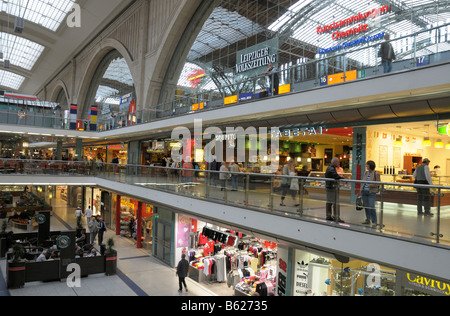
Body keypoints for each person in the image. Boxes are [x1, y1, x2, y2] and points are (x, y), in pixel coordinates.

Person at [359, 161, 381, 227]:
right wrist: (361, 189)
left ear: (370, 166)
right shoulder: (366, 173)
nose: (366, 167)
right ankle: (368, 219)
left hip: (371, 192)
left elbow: (378, 183)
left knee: (371, 206)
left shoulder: (376, 173)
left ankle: (374, 221)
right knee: (366, 206)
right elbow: (363, 182)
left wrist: (371, 185)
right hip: (364, 192)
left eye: (367, 165)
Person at [325, 157, 345, 222]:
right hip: (332, 188)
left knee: (330, 202)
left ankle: (329, 216)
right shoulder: (331, 169)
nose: (339, 163)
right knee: (335, 202)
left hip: (329, 187)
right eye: (338, 162)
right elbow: (335, 176)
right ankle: (336, 217)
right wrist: (342, 179)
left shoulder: (330, 168)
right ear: (334, 162)